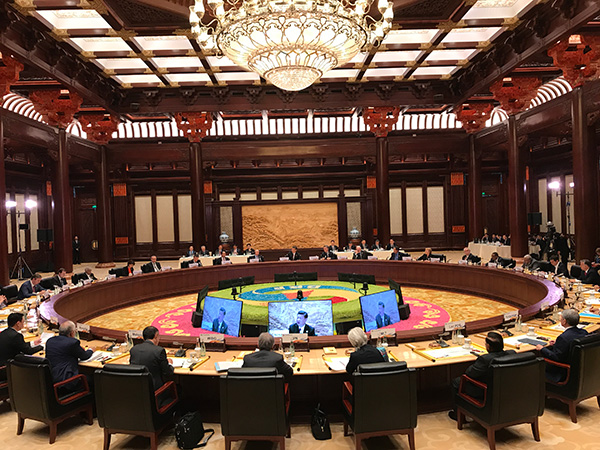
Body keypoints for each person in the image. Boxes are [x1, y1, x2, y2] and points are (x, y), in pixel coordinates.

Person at [448, 331, 514, 420]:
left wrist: (478, 362)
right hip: (507, 389)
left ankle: (458, 415)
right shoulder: (512, 353)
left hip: (484, 390)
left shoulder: (485, 359)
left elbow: (469, 373)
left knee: (457, 382)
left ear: (488, 346)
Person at [536, 309, 588, 383]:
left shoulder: (563, 338)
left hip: (561, 373)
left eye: (561, 318)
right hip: (580, 370)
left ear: (564, 321)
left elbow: (556, 357)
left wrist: (542, 349)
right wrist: (557, 344)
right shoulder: (584, 332)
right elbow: (570, 343)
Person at [45, 321, 94, 390]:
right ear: (72, 333)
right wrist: (91, 350)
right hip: (67, 382)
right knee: (95, 378)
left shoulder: (50, 341)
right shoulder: (72, 343)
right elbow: (84, 356)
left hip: (53, 379)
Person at [129, 326, 174, 392]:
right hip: (156, 392)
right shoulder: (159, 351)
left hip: (137, 391)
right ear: (156, 336)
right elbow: (168, 373)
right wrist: (169, 363)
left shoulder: (134, 349)